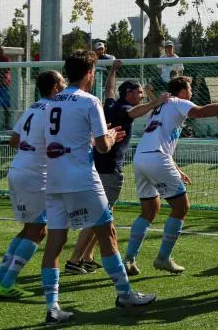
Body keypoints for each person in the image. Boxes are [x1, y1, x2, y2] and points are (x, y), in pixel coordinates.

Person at [40, 50, 156, 324]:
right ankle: (125, 293)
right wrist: (112, 137)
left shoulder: (51, 102)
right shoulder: (90, 101)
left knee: (56, 241)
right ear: (90, 73)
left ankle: (52, 306)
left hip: (54, 177)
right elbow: (103, 146)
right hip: (81, 176)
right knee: (108, 231)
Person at [124, 76, 218, 275]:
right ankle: (163, 258)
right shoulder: (179, 102)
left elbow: (160, 140)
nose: (191, 94)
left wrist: (176, 169)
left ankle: (129, 259)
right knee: (181, 206)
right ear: (182, 92)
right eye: (189, 90)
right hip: (156, 159)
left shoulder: (159, 107)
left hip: (141, 158)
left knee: (149, 210)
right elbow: (202, 111)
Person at [65, 62, 166, 274]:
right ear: (129, 93)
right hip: (109, 170)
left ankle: (87, 256)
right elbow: (137, 111)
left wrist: (113, 70)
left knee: (105, 213)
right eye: (139, 92)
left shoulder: (111, 104)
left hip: (98, 166)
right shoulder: (123, 109)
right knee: (99, 215)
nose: (141, 95)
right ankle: (74, 259)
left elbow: (110, 89)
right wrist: (157, 102)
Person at [0, 71, 63, 298]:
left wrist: (31, 148)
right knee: (39, 230)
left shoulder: (33, 107)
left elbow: (14, 140)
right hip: (35, 175)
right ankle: (7, 282)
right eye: (62, 82)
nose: (65, 85)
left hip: (19, 169)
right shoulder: (53, 110)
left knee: (29, 228)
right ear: (56, 88)